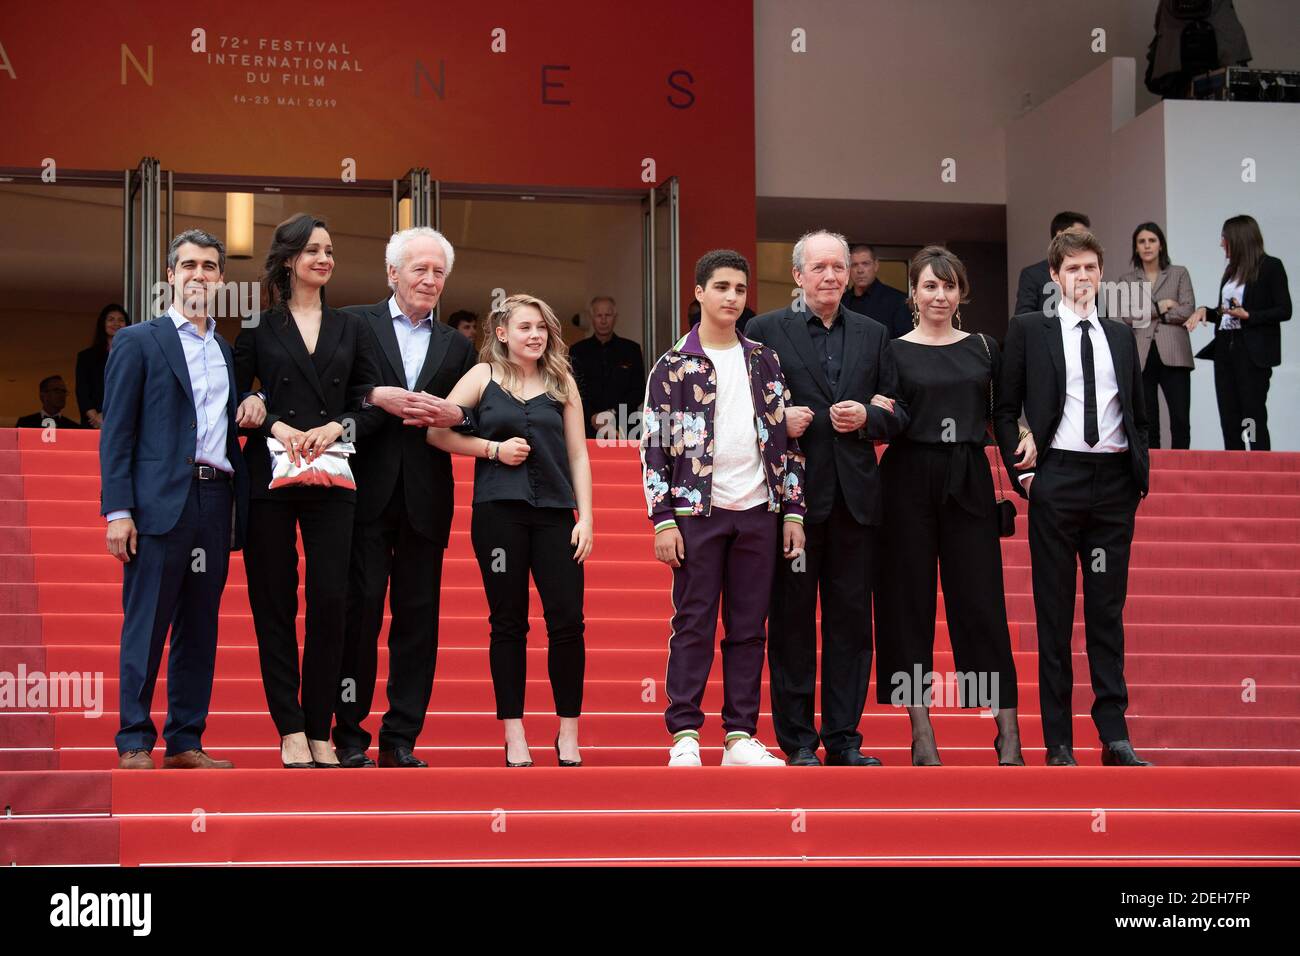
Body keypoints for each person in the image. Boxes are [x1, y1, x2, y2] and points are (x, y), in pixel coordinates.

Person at [746, 230, 906, 766]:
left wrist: (870, 418)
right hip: (792, 502)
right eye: (819, 268)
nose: (832, 276)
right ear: (797, 276)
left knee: (852, 623)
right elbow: (740, 412)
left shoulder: (875, 332)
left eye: (839, 267)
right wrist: (777, 421)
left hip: (856, 501)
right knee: (791, 622)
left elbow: (898, 410)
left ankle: (843, 739)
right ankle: (796, 742)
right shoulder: (765, 330)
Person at [643, 248, 806, 768]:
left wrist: (793, 510)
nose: (732, 297)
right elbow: (654, 448)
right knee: (693, 622)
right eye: (722, 288)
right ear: (699, 292)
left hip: (759, 509)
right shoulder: (673, 366)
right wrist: (663, 517)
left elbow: (787, 439)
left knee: (748, 627)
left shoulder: (764, 358)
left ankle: (739, 736)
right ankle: (685, 733)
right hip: (697, 512)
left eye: (740, 289)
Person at [234, 214, 385, 769]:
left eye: (330, 250)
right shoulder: (258, 324)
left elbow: (370, 402)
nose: (325, 259)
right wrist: (269, 421)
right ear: (290, 258)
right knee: (273, 601)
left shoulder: (352, 326)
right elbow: (233, 396)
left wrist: (336, 427)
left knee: (330, 601)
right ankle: (289, 727)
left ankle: (320, 724)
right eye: (315, 250)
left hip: (334, 475)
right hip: (270, 477)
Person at [996, 229, 1152, 767]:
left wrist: (1136, 475)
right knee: (1054, 615)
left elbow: (1137, 410)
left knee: (1107, 613)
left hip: (1112, 484)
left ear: (1100, 273)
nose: (1082, 277)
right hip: (1056, 480)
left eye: (1090, 268)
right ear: (1055, 276)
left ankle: (1115, 735)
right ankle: (1058, 742)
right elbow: (1003, 406)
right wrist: (1025, 477)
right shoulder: (1028, 331)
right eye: (1072, 269)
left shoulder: (1119, 334)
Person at [100, 228, 252, 770]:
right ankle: (135, 739)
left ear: (220, 279)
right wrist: (118, 511)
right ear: (170, 275)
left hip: (215, 502)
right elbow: (116, 432)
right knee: (146, 623)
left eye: (209, 267)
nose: (198, 275)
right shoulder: (139, 341)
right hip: (158, 504)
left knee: (199, 626)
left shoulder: (227, 352)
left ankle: (186, 739)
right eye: (187, 265)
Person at [875, 246, 1029, 766]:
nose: (940, 295)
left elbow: (1004, 413)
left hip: (968, 476)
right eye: (929, 286)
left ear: (961, 294)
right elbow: (886, 417)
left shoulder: (985, 347)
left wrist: (1023, 438)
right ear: (914, 293)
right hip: (905, 479)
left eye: (950, 286)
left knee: (981, 603)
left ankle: (1008, 730)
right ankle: (921, 732)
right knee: (906, 606)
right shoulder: (891, 351)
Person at [331, 228, 477, 769]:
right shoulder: (352, 322)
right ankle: (348, 735)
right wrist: (373, 395)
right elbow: (329, 389)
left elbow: (478, 410)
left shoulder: (459, 345)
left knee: (417, 623)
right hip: (362, 493)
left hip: (426, 497)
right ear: (392, 273)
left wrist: (455, 415)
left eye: (439, 272)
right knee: (358, 617)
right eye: (419, 269)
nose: (430, 280)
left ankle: (400, 738)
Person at [428, 294, 593, 767]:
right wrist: (491, 450)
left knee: (567, 621)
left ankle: (568, 732)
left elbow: (578, 453)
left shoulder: (561, 381)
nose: (535, 335)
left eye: (541, 327)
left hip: (557, 514)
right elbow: (436, 431)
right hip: (499, 512)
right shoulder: (483, 377)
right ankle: (514, 732)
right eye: (524, 327)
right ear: (502, 334)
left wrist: (589, 517)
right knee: (508, 622)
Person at [1188, 215, 1292, 451]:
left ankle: (1259, 471)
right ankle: (1233, 473)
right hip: (1225, 348)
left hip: (1252, 352)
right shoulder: (1230, 272)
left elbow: (1285, 310)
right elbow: (1228, 312)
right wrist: (1207, 311)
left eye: (1224, 238)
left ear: (1238, 239)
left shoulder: (1270, 267)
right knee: (1229, 414)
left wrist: (1250, 315)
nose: (1221, 244)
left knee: (1253, 415)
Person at [1115, 222, 1195, 449]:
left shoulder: (1179, 273)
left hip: (1175, 353)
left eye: (1152, 240)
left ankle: (1182, 469)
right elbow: (1129, 316)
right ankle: (1152, 469)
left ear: (1161, 245)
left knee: (1180, 418)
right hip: (1142, 355)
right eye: (1142, 241)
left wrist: (1151, 315)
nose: (1147, 245)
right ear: (1136, 247)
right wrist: (1162, 308)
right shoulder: (1127, 279)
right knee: (1147, 419)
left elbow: (1187, 309)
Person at [570, 295, 646, 438]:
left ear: (615, 317)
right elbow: (573, 391)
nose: (603, 320)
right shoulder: (577, 351)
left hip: (625, 427)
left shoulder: (631, 349)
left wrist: (612, 413)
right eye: (599, 315)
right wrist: (592, 416)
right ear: (592, 317)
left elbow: (638, 390)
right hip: (587, 429)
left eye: (608, 315)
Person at [1014, 211, 1090, 316]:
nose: (1086, 241)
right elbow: (1024, 318)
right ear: (1060, 235)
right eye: (1080, 235)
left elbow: (1103, 318)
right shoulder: (1033, 275)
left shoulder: (1089, 273)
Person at [842, 243, 910, 338]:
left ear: (876, 265)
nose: (860, 270)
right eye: (854, 265)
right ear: (848, 269)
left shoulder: (898, 301)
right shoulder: (841, 302)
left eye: (865, 264)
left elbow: (904, 343)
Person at [76, 303, 128, 428]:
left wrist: (108, 416)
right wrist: (95, 417)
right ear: (102, 324)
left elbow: (132, 389)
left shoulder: (133, 355)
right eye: (111, 319)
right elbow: (82, 391)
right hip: (93, 422)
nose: (116, 323)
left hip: (124, 420)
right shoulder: (86, 357)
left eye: (121, 320)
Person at [16, 375, 82, 429]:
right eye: (57, 391)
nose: (62, 395)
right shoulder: (25, 424)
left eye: (64, 391)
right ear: (43, 395)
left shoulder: (73, 428)